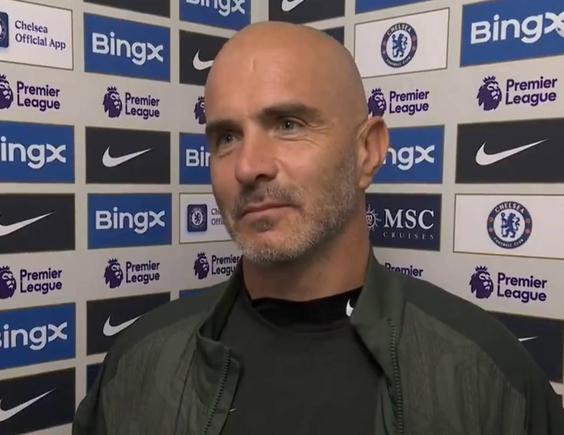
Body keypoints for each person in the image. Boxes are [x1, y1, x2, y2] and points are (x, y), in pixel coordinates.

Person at [73, 22, 564, 434]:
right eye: (226, 137)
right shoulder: (138, 366)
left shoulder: (487, 377)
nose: (248, 166)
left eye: (288, 124)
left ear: (367, 151)